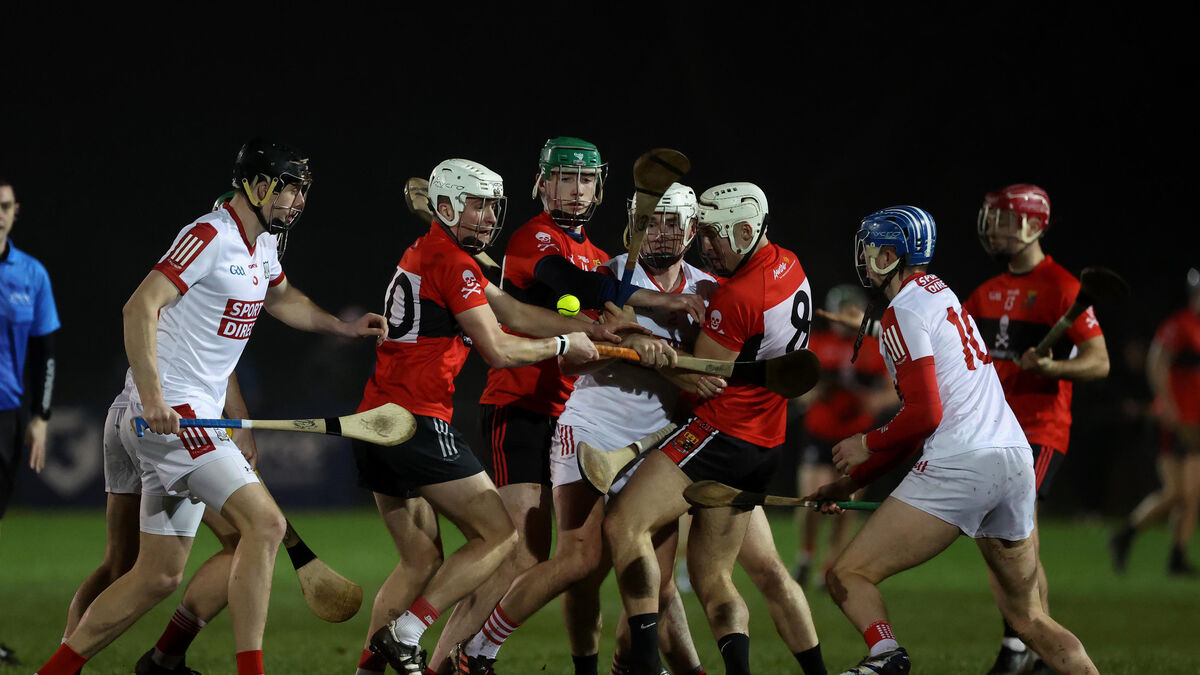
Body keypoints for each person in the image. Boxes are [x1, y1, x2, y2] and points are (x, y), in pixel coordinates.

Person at [35, 139, 389, 675]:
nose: (298, 201)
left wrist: (341, 328)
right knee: (265, 526)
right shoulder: (209, 235)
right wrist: (154, 398)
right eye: (289, 189)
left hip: (186, 413)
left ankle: (60, 670)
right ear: (259, 185)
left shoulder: (263, 245)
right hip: (172, 414)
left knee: (157, 575)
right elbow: (138, 307)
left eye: (302, 191)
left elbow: (281, 299)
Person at [431, 138, 700, 674]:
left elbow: (603, 312)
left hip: (568, 415)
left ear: (599, 188)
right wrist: (650, 301)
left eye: (586, 179)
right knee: (518, 554)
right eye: (565, 178)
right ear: (543, 183)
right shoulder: (535, 237)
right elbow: (566, 282)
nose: (576, 190)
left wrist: (633, 330)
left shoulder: (599, 257)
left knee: (583, 561)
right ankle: (447, 664)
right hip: (520, 406)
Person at [354, 158, 624, 674]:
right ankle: (407, 633)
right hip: (415, 422)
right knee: (499, 537)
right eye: (477, 206)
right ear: (446, 206)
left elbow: (515, 312)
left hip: (373, 419)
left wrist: (586, 327)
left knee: (418, 562)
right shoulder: (454, 265)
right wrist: (563, 344)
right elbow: (499, 348)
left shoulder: (433, 252)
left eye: (492, 207)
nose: (489, 217)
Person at [806, 205, 1097, 675]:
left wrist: (866, 442)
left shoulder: (901, 312)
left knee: (846, 575)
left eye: (870, 248)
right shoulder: (941, 294)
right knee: (1029, 618)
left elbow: (924, 415)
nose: (862, 258)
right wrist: (850, 482)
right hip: (1013, 459)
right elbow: (915, 426)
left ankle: (886, 656)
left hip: (962, 463)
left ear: (889, 256)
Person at [603, 182, 826, 675]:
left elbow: (698, 379)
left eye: (714, 235)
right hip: (765, 443)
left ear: (745, 232)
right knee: (716, 578)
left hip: (719, 436)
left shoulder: (738, 296)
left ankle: (642, 667)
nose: (705, 246)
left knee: (623, 524)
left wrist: (638, 336)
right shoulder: (790, 264)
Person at [962, 184, 1109, 675]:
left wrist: (1052, 368)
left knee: (1014, 541)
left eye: (1004, 219)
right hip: (991, 431)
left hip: (1039, 431)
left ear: (1033, 224)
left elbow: (1099, 361)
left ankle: (1019, 645)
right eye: (993, 219)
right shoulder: (985, 292)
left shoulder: (1063, 288)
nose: (994, 229)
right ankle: (1038, 647)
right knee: (1003, 543)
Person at [793, 284, 895, 587]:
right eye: (841, 310)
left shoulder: (875, 348)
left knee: (844, 507)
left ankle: (829, 567)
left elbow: (895, 391)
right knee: (811, 500)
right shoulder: (815, 343)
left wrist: (874, 401)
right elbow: (796, 386)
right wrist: (810, 394)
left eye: (851, 311)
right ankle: (806, 555)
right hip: (819, 434)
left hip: (857, 440)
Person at [0, 177, 60, 667]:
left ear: (15, 210)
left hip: (7, 414)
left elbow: (45, 354)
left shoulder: (31, 274)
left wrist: (40, 416)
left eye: (4, 206)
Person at [1110, 268, 1200, 576]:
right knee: (1175, 492)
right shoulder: (1180, 324)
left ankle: (1177, 557)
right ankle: (1125, 535)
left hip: (1195, 421)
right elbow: (1157, 361)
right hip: (1175, 420)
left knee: (1192, 494)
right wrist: (1168, 404)